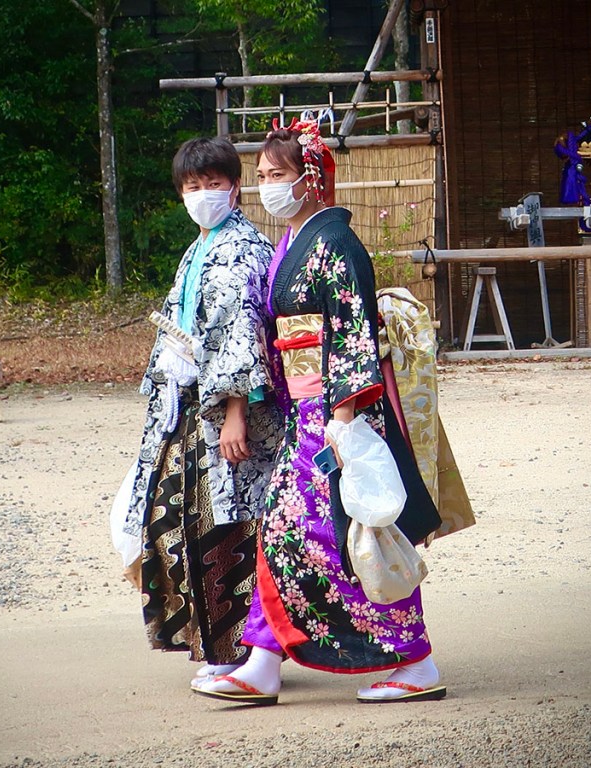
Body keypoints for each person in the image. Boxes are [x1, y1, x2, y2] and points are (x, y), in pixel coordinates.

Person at [194, 118, 445, 705]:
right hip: (306, 412)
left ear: (312, 178)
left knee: (357, 531)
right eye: (260, 177)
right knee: (285, 532)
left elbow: (353, 331)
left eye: (276, 175)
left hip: (336, 415)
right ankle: (263, 659)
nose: (265, 187)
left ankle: (416, 660)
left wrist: (345, 414)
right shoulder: (296, 240)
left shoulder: (334, 243)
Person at [124, 136, 283, 688]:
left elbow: (244, 333)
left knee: (230, 523)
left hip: (231, 414)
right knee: (181, 518)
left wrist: (235, 411)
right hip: (191, 406)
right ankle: (216, 644)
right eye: (193, 187)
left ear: (234, 186)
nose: (203, 194)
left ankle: (243, 651)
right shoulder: (200, 247)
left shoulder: (242, 246)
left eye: (214, 184)